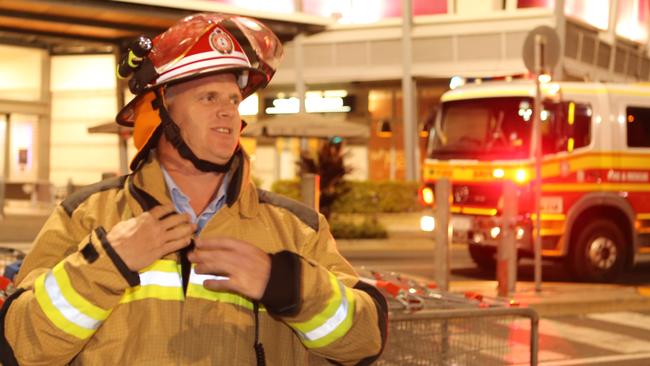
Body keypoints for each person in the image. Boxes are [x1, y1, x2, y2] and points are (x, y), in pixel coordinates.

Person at [0, 13, 387, 365]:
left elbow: (365, 343)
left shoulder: (298, 227)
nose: (228, 112)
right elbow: (21, 347)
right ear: (158, 113)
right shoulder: (84, 215)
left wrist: (290, 286)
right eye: (208, 98)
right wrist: (108, 262)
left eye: (234, 100)